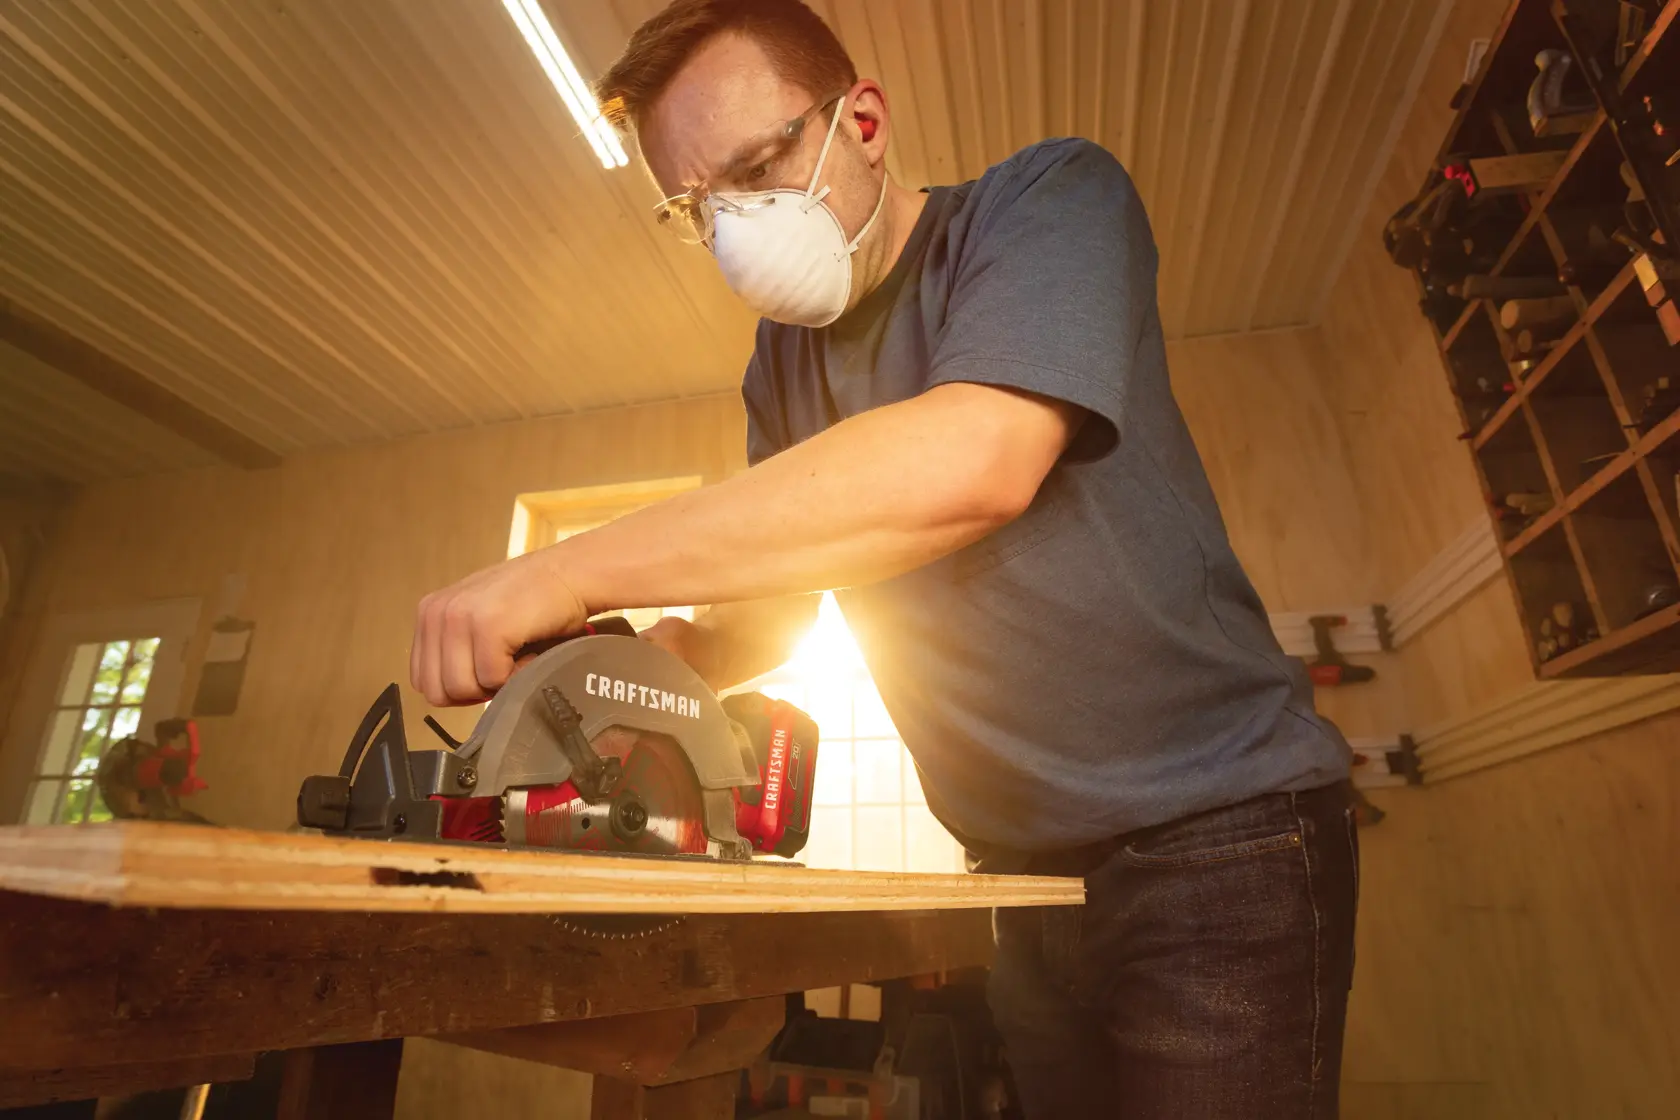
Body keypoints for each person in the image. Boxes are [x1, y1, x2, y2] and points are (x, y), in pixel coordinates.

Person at [410, 1, 1358, 1115]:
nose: (735, 228)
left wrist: (568, 569)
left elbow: (977, 460)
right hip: (1019, 868)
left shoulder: (1047, 201)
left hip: (1218, 832)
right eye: (701, 208)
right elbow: (779, 602)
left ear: (862, 122)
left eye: (755, 170)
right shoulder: (780, 367)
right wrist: (645, 669)